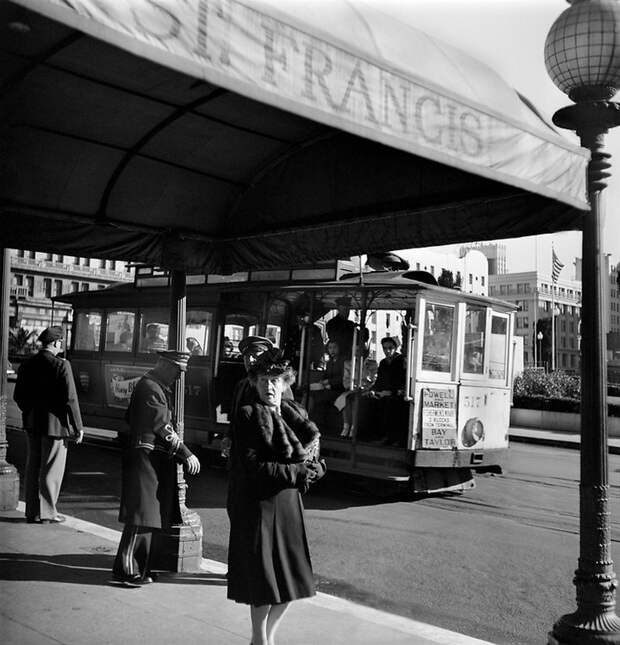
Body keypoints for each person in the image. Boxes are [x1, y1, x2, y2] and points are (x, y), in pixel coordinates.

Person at [227, 351, 326, 645]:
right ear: (254, 384)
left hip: (288, 506)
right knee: (263, 581)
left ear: (285, 383)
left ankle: (266, 638)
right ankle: (260, 639)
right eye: (263, 381)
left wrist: (316, 470)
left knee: (292, 580)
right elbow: (254, 466)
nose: (269, 387)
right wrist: (298, 472)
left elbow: (311, 456)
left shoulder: (295, 414)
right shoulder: (247, 414)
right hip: (259, 506)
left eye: (275, 381)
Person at [112, 350, 201, 587]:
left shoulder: (154, 385)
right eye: (176, 370)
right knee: (141, 515)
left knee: (150, 515)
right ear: (163, 365)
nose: (178, 376)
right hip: (145, 457)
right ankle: (127, 569)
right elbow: (163, 426)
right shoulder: (151, 387)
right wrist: (186, 453)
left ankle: (142, 568)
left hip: (150, 457)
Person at [13, 326, 84, 524]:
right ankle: (47, 513)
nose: (61, 344)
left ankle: (32, 512)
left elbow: (18, 396)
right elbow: (71, 399)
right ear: (55, 343)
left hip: (32, 423)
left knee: (33, 466)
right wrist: (78, 426)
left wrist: (30, 412)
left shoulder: (28, 365)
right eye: (60, 341)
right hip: (56, 426)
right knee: (52, 469)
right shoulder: (62, 364)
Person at [360, 336, 408, 445]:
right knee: (366, 401)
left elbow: (404, 382)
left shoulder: (402, 361)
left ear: (395, 348)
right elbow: (379, 381)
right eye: (385, 348)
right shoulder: (383, 363)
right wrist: (372, 390)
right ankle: (370, 435)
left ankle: (390, 437)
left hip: (397, 395)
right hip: (382, 393)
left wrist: (392, 392)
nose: (387, 351)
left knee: (388, 404)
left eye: (390, 348)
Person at [334, 358, 378, 438]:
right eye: (356, 350)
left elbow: (373, 380)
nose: (358, 353)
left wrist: (365, 387)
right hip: (352, 390)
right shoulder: (348, 363)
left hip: (365, 391)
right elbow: (346, 380)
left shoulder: (372, 363)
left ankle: (354, 428)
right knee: (346, 398)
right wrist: (352, 386)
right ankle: (346, 426)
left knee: (355, 399)